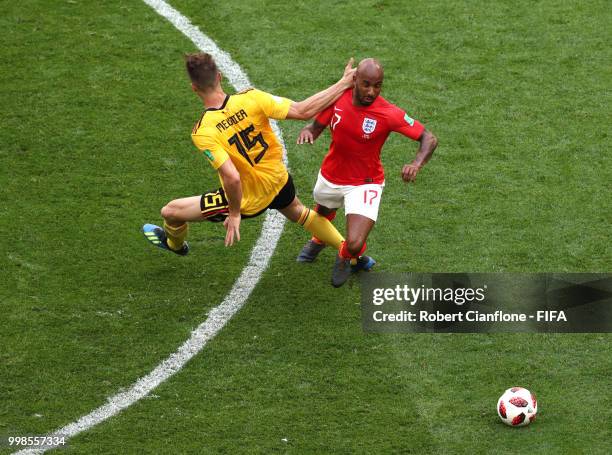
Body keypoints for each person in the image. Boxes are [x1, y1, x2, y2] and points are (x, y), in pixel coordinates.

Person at [143, 52, 368, 283]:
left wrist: (234, 213)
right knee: (299, 212)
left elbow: (232, 178)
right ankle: (352, 253)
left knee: (170, 212)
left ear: (194, 88)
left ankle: (175, 245)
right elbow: (303, 111)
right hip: (279, 181)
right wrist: (343, 83)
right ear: (219, 77)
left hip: (249, 199)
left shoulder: (204, 130)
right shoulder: (252, 98)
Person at [295, 58, 438, 287]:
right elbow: (315, 126)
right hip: (331, 174)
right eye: (366, 84)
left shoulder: (388, 113)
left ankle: (345, 256)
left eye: (378, 85)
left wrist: (416, 164)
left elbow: (429, 138)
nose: (372, 91)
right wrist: (308, 132)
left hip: (365, 182)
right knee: (323, 212)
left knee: (353, 242)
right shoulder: (338, 98)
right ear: (355, 80)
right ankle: (319, 240)